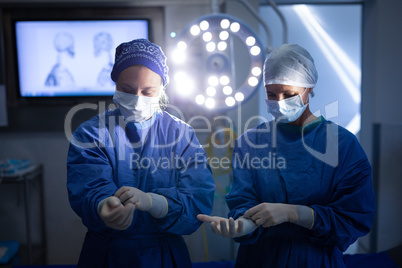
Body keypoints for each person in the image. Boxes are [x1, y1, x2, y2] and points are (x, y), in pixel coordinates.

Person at [198, 44, 375, 267]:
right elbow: (242, 200)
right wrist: (244, 224)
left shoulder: (343, 145)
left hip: (316, 260)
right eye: (271, 95)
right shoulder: (250, 143)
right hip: (260, 259)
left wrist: (297, 214)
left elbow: (354, 217)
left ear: (309, 89)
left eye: (289, 94)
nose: (279, 102)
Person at [67, 38, 216, 267]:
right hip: (107, 254)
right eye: (127, 90)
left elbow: (197, 199)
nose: (137, 99)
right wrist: (103, 206)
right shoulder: (91, 134)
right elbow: (88, 187)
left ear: (161, 91)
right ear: (115, 85)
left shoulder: (181, 135)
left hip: (164, 255)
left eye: (148, 92)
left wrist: (154, 202)